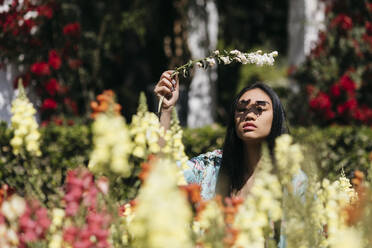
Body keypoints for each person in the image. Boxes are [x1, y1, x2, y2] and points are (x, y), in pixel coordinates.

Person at [154, 70, 306, 200]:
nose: (249, 115)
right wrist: (167, 110)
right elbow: (165, 174)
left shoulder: (293, 179)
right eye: (241, 109)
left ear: (276, 117)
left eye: (259, 109)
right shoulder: (211, 167)